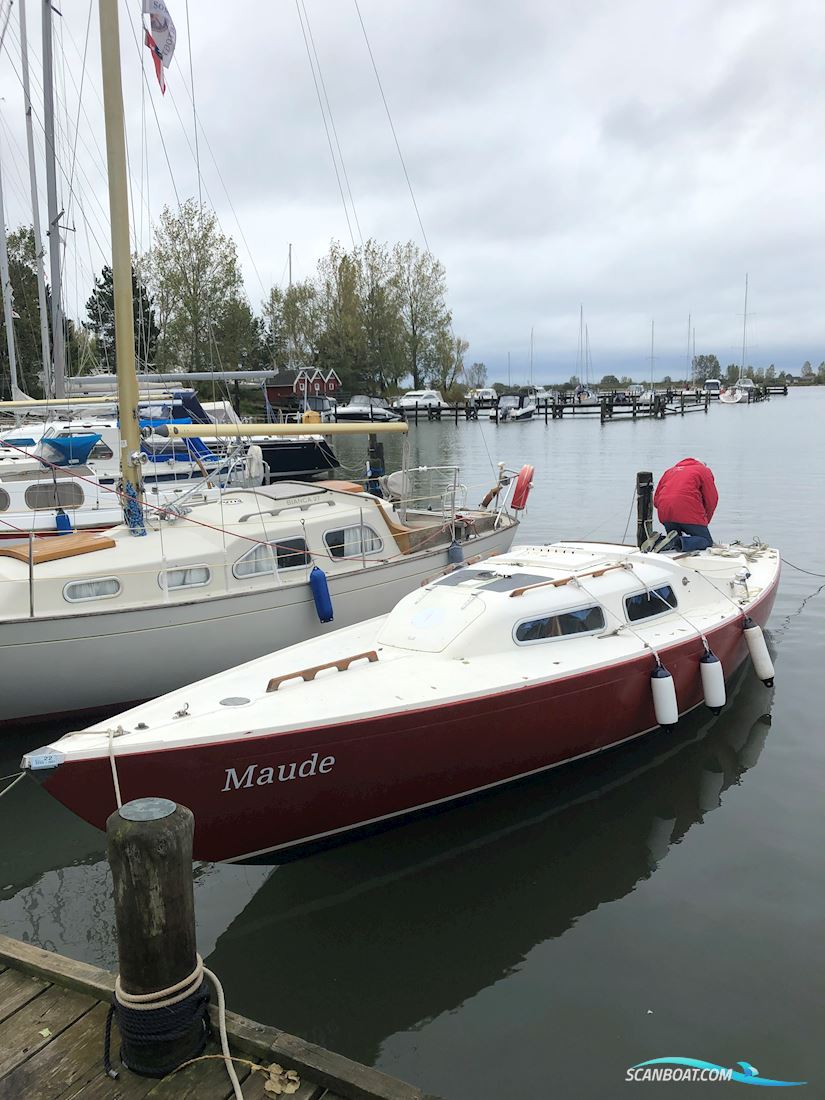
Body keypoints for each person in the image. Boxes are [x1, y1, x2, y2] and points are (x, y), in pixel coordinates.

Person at [649, 457, 718, 552]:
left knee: (673, 536)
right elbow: (712, 499)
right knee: (706, 540)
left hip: (665, 513)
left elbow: (656, 500)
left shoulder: (670, 471)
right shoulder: (704, 470)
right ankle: (675, 542)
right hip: (687, 512)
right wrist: (704, 521)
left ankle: (658, 540)